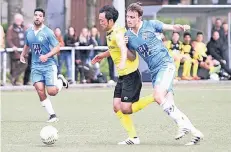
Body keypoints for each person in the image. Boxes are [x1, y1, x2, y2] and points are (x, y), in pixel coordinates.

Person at [125, 2, 203, 145]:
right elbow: (132, 57)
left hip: (165, 64)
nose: (129, 19)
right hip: (155, 72)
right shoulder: (128, 36)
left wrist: (177, 27)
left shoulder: (150, 24)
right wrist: (125, 47)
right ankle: (195, 132)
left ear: (139, 18)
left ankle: (181, 124)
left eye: (132, 17)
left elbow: (171, 27)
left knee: (157, 96)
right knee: (170, 104)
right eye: (127, 16)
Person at [92, 5, 154, 145]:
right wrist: (103, 55)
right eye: (99, 19)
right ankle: (133, 137)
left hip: (131, 75)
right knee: (116, 106)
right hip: (123, 75)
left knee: (125, 108)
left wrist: (123, 59)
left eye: (102, 20)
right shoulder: (110, 32)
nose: (100, 22)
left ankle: (155, 97)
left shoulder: (118, 33)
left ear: (110, 20)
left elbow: (121, 47)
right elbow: (114, 49)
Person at [20, 8, 69, 122]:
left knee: (52, 92)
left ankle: (60, 81)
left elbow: (57, 47)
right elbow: (27, 45)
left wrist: (47, 55)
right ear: (33, 17)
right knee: (40, 89)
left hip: (48, 65)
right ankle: (52, 115)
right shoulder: (29, 32)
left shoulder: (48, 32)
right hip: (36, 66)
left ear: (43, 18)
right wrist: (23, 54)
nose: (37, 17)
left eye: (40, 15)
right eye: (36, 15)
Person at [7, 13, 27, 85]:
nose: (18, 21)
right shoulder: (11, 29)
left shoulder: (25, 28)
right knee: (14, 67)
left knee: (24, 64)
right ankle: (13, 82)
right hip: (15, 51)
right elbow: (9, 39)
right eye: (17, 19)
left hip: (24, 51)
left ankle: (13, 77)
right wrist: (12, 46)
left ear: (22, 20)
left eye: (19, 19)